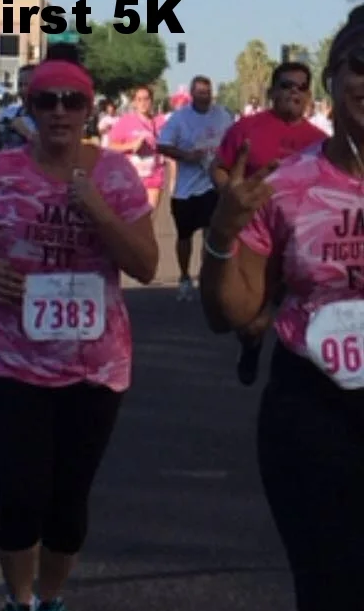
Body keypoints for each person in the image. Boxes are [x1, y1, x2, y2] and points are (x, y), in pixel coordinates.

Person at [0, 59, 158, 611]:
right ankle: (16, 604)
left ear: (89, 109)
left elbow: (145, 264)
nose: (60, 111)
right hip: (12, 359)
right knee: (20, 493)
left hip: (95, 365)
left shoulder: (115, 176)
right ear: (30, 110)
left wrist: (97, 208)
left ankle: (51, 603)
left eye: (72, 101)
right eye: (47, 102)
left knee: (68, 501)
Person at [199, 4, 364, 611]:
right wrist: (222, 235)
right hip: (314, 414)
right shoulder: (287, 186)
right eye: (360, 64)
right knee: (332, 607)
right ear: (333, 81)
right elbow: (232, 310)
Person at [212, 62, 328, 385]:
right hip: (254, 236)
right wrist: (232, 196)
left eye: (301, 87)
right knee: (254, 323)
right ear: (272, 91)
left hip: (299, 238)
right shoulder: (246, 129)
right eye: (287, 85)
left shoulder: (319, 140)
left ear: (309, 96)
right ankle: (251, 346)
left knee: (306, 311)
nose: (294, 92)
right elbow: (219, 168)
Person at [157, 76, 233, 300]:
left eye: (207, 92)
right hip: (186, 189)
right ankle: (184, 276)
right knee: (185, 236)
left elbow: (234, 141)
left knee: (211, 233)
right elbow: (162, 145)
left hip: (213, 185)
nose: (204, 96)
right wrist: (186, 155)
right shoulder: (180, 119)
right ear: (192, 94)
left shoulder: (223, 115)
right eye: (200, 92)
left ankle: (207, 277)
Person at [109, 85, 166, 212]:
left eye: (146, 99)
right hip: (131, 177)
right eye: (139, 99)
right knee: (132, 217)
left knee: (148, 215)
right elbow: (111, 147)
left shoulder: (159, 122)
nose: (143, 103)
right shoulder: (126, 121)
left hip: (153, 175)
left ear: (151, 101)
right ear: (134, 102)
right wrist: (131, 145)